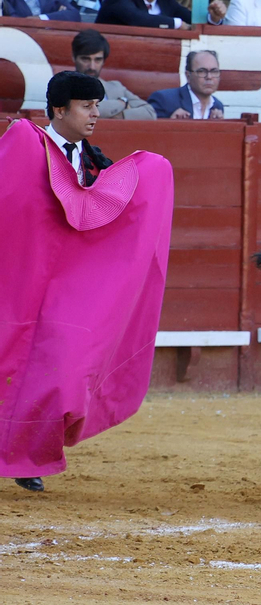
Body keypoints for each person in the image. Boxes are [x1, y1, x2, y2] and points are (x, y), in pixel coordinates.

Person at [0, 70, 172, 495]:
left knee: (59, 369)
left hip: (64, 291)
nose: (96, 114)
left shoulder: (95, 163)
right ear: (60, 110)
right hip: (19, 279)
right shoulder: (25, 145)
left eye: (97, 105)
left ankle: (29, 456)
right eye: (86, 106)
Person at [61, 29, 154, 120]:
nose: (92, 67)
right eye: (85, 59)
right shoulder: (62, 85)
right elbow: (77, 110)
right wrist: (121, 103)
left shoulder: (115, 87)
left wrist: (121, 116)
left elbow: (150, 113)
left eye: (98, 60)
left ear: (104, 61)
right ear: (74, 57)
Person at [149, 48, 225, 119]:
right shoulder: (164, 100)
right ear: (188, 76)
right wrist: (170, 123)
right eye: (201, 71)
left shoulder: (217, 106)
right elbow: (148, 131)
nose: (209, 77)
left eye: (214, 71)